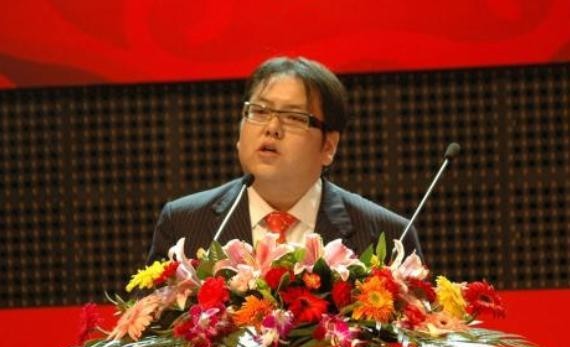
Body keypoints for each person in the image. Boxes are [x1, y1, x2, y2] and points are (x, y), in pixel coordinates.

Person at [147, 56, 421, 263]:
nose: (272, 127)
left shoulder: (387, 234)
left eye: (293, 117)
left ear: (328, 146)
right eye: (259, 111)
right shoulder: (183, 223)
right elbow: (151, 320)